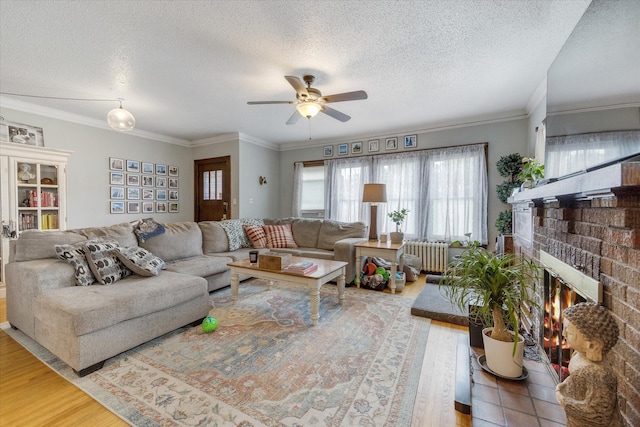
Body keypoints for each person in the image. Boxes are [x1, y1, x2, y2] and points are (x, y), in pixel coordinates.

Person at [555, 302, 622, 427]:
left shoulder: (598, 373)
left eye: (568, 332)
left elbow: (599, 414)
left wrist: (565, 402)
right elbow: (577, 379)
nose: (563, 334)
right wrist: (566, 384)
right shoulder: (578, 354)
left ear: (591, 345)